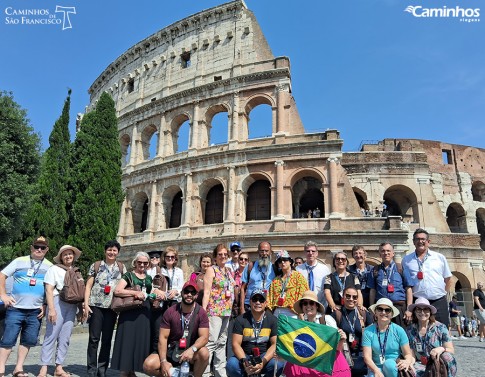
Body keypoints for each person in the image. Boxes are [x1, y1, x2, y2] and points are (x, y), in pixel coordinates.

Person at [0, 236, 53, 377]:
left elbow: (50, 288)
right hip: (15, 308)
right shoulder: (19, 261)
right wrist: (4, 295)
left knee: (28, 340)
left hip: (35, 311)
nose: (39, 250)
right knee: (8, 340)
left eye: (42, 247)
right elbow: (2, 275)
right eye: (36, 247)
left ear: (47, 250)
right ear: (31, 248)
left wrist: (45, 304)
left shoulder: (49, 266)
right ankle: (1, 369)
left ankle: (18, 368)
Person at [143, 282, 210, 377]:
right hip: (171, 350)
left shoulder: (201, 313)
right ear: (182, 293)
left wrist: (192, 349)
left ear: (196, 295)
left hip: (190, 351)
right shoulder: (170, 311)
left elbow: (204, 337)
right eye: (186, 292)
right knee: (148, 365)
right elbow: (163, 338)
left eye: (193, 292)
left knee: (204, 353)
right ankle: (172, 374)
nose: (189, 295)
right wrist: (163, 361)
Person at [84, 240, 127, 377]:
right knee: (93, 340)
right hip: (96, 306)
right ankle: (91, 370)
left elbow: (124, 287)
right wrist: (86, 304)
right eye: (109, 250)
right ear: (105, 251)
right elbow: (88, 285)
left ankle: (102, 370)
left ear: (118, 253)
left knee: (107, 340)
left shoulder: (121, 267)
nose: (111, 252)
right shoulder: (96, 265)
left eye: (114, 250)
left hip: (111, 308)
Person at [37, 245, 82, 377]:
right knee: (51, 335)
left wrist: (80, 309)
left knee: (65, 337)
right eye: (65, 254)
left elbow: (78, 292)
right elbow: (49, 289)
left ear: (73, 256)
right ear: (61, 257)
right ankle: (43, 367)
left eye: (70, 254)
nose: (68, 256)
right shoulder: (54, 269)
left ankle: (59, 367)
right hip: (58, 303)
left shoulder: (76, 271)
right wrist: (51, 309)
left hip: (72, 305)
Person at [284, 290, 350, 377]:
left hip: (328, 361)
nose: (308, 306)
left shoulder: (326, 319)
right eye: (305, 303)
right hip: (309, 362)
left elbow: (336, 348)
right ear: (302, 307)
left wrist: (341, 339)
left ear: (316, 306)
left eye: (311, 303)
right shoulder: (300, 325)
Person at [111, 251, 156, 377]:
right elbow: (118, 291)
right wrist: (134, 293)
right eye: (139, 262)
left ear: (148, 264)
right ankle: (124, 372)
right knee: (128, 340)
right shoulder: (129, 275)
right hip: (130, 311)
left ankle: (132, 370)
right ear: (135, 262)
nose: (142, 265)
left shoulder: (148, 277)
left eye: (145, 263)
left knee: (139, 340)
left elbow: (149, 291)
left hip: (144, 312)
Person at [226, 289, 284, 377]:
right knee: (231, 365)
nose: (258, 302)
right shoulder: (240, 319)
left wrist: (263, 362)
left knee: (278, 364)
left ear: (265, 303)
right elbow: (235, 344)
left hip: (264, 355)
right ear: (250, 302)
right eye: (255, 299)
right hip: (245, 355)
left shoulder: (273, 320)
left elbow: (274, 344)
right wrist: (245, 362)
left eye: (261, 300)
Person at [402, 228, 452, 327]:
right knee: (419, 331)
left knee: (442, 330)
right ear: (413, 242)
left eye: (423, 239)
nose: (420, 241)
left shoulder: (439, 257)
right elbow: (407, 283)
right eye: (417, 239)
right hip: (418, 301)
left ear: (428, 242)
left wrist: (443, 293)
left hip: (438, 300)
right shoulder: (406, 260)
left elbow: (448, 279)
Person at [202, 244, 235, 377]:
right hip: (214, 310)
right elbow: (207, 291)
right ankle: (205, 371)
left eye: (225, 254)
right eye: (220, 254)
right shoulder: (211, 270)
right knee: (211, 341)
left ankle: (220, 371)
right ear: (215, 256)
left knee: (222, 342)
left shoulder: (228, 270)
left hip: (226, 310)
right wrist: (203, 311)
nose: (223, 256)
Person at [362, 298, 414, 377]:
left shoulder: (399, 330)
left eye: (387, 310)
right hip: (375, 367)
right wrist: (377, 371)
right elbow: (367, 357)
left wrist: (407, 361)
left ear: (392, 314)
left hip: (394, 366)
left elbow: (408, 354)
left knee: (389, 364)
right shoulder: (368, 331)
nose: (383, 312)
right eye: (380, 309)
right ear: (375, 312)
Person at [406, 297, 457, 377]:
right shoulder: (410, 330)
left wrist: (441, 348)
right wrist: (410, 363)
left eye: (426, 309)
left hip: (437, 363)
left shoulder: (440, 327)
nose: (422, 312)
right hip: (419, 364)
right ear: (415, 312)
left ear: (430, 312)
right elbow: (411, 354)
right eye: (419, 309)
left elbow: (451, 350)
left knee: (447, 356)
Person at [332, 287, 373, 377]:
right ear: (343, 297)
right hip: (343, 355)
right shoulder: (337, 314)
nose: (351, 299)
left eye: (354, 297)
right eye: (348, 296)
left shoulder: (364, 313)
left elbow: (372, 334)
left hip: (361, 356)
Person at [368, 243, 409, 328]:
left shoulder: (401, 268)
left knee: (399, 334)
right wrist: (372, 309)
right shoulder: (375, 270)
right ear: (380, 254)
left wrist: (409, 309)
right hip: (382, 309)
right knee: (382, 332)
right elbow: (372, 290)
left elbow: (408, 289)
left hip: (399, 307)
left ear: (393, 253)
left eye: (388, 251)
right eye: (383, 251)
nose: (386, 253)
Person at [267, 250, 308, 318]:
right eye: (280, 261)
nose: (283, 262)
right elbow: (270, 298)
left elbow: (303, 294)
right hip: (277, 312)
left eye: (285, 260)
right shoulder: (275, 280)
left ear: (290, 262)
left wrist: (301, 312)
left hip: (292, 312)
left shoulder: (298, 276)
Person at [240, 241, 275, 313]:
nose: (264, 253)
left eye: (266, 251)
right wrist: (242, 308)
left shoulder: (274, 268)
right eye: (262, 251)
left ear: (270, 252)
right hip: (249, 305)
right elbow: (243, 288)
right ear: (258, 252)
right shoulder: (250, 266)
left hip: (266, 306)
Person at [296, 241, 331, 309]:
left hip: (320, 305)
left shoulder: (324, 269)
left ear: (317, 253)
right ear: (304, 253)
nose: (310, 253)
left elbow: (328, 288)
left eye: (313, 251)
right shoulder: (298, 269)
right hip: (304, 306)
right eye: (308, 251)